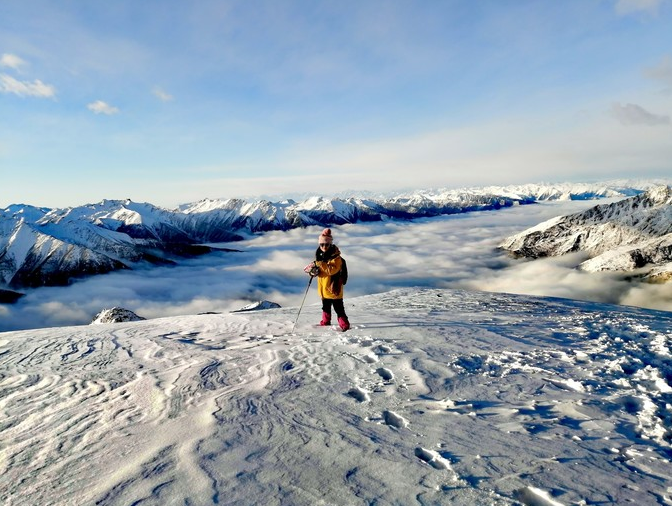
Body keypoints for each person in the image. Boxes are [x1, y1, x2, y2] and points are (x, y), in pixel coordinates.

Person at [304, 228, 350, 331]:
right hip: (324, 288)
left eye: (326, 244)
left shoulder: (336, 258)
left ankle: (345, 325)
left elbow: (331, 271)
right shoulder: (320, 257)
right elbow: (323, 271)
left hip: (334, 288)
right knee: (325, 307)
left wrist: (319, 264)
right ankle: (325, 321)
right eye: (322, 244)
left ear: (331, 244)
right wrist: (313, 272)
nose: (324, 247)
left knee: (339, 308)